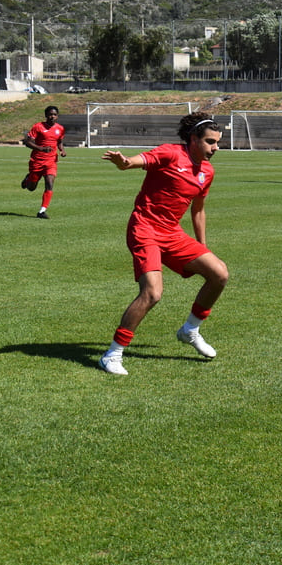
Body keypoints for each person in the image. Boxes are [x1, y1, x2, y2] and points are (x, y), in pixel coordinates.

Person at [97, 112, 229, 376]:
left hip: (172, 233)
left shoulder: (207, 171)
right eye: (210, 142)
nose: (215, 148)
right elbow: (138, 161)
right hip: (144, 228)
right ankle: (112, 354)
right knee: (152, 293)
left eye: (217, 143)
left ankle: (190, 329)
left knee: (219, 274)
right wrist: (125, 162)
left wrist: (203, 247)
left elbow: (198, 210)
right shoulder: (170, 153)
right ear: (193, 139)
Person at [21, 105, 66, 219]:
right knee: (31, 188)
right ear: (46, 115)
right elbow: (27, 142)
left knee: (49, 184)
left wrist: (62, 150)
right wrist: (41, 149)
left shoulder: (60, 128)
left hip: (51, 161)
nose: (52, 116)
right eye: (50, 114)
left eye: (55, 114)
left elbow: (59, 141)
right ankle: (28, 179)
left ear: (57, 116)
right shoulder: (38, 127)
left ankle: (42, 211)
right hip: (37, 161)